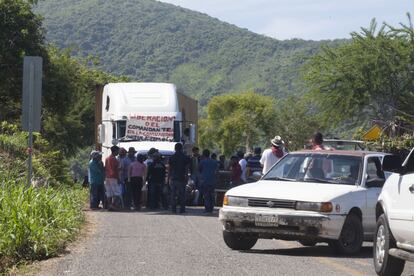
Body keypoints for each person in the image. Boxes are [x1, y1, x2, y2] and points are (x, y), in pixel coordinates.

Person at [168, 143, 190, 213]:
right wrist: (187, 176)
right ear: (181, 148)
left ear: (175, 148)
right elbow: (187, 168)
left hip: (173, 178)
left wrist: (168, 178)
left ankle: (173, 209)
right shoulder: (185, 157)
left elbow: (169, 169)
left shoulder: (172, 157)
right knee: (182, 194)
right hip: (182, 178)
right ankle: (182, 209)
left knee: (173, 194)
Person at [199, 149, 218, 213]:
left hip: (205, 181)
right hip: (212, 181)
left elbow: (199, 170)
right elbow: (217, 172)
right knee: (211, 195)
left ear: (203, 155)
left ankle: (207, 209)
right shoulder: (214, 162)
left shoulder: (202, 162)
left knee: (206, 196)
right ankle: (211, 208)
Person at [105, 145, 122, 210]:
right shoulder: (114, 159)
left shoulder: (107, 158)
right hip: (113, 177)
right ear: (115, 151)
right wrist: (118, 178)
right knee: (117, 192)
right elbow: (116, 170)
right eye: (117, 151)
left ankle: (109, 205)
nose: (118, 152)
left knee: (109, 192)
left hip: (107, 177)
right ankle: (113, 205)